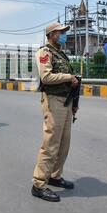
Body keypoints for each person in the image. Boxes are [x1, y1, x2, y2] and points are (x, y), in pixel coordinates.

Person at [31, 23, 80, 202]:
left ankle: (54, 176)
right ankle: (38, 184)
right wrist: (69, 77)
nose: (64, 35)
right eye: (61, 32)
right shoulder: (45, 53)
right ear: (52, 34)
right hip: (53, 101)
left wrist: (75, 103)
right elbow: (46, 77)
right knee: (51, 144)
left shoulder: (61, 54)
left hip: (66, 102)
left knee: (64, 143)